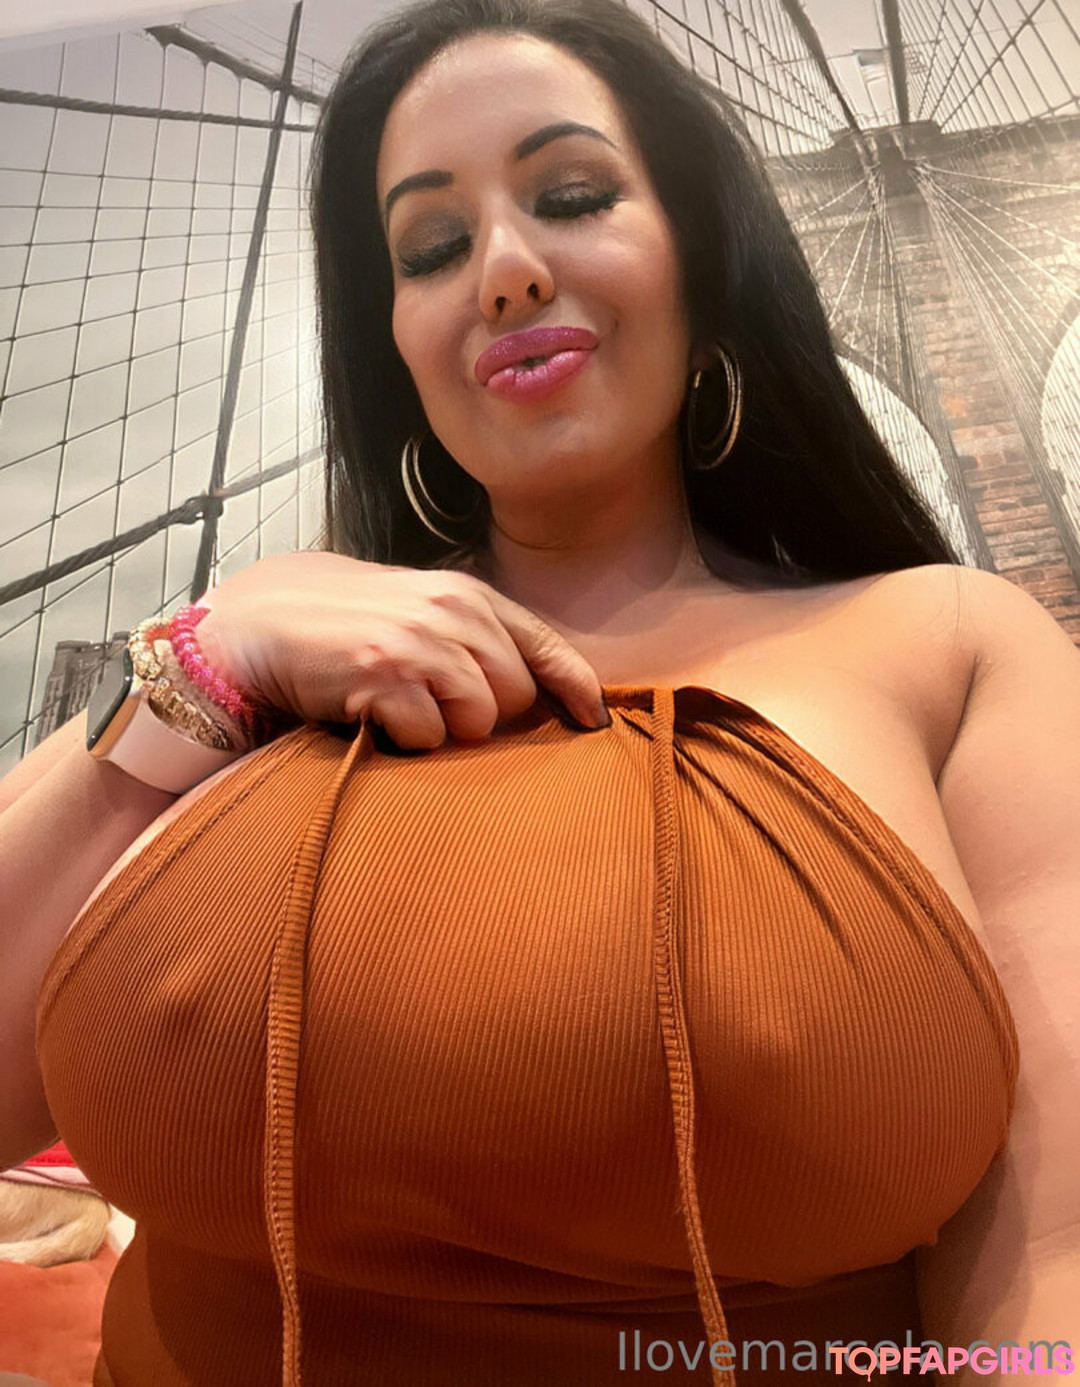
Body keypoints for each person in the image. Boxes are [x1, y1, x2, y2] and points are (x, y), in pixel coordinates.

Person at [1, 0, 1077, 1383]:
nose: (504, 271)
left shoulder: (951, 649)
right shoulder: (267, 666)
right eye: (431, 247)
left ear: (703, 266)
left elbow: (1053, 1268)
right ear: (395, 339)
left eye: (571, 196)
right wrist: (203, 652)